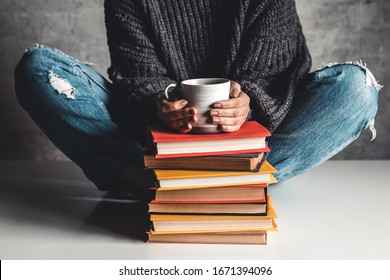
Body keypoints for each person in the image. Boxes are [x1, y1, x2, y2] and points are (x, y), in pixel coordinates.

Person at [14, 0, 380, 198]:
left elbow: (279, 71)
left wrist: (249, 101)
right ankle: (142, 177)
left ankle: (233, 179)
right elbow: (135, 74)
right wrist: (159, 103)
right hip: (158, 140)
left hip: (255, 142)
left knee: (355, 89)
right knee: (39, 68)